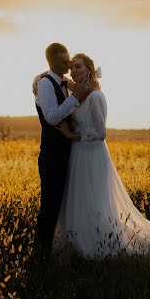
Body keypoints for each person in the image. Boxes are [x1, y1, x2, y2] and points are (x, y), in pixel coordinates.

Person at [35, 53, 150, 259]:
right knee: (79, 199)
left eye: (79, 67)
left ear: (89, 70)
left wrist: (71, 134)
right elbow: (53, 78)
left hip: (91, 154)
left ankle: (98, 241)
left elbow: (100, 133)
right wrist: (40, 77)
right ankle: (77, 241)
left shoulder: (96, 96)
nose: (74, 71)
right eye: (72, 67)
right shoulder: (79, 90)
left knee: (94, 200)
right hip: (77, 154)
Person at [33, 43, 91, 261]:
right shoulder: (47, 85)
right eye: (63, 62)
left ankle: (60, 253)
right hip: (51, 157)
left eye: (68, 60)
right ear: (52, 63)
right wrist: (75, 98)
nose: (68, 64)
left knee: (62, 207)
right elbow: (52, 117)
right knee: (49, 209)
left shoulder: (62, 82)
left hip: (66, 155)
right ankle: (40, 257)